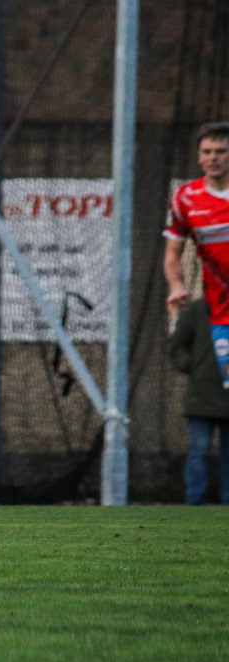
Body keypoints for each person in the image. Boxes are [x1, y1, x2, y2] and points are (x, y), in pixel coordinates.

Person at [164, 122, 229, 342]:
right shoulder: (186, 198)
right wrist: (176, 286)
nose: (213, 158)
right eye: (207, 152)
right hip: (220, 312)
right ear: (199, 157)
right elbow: (172, 254)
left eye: (220, 151)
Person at [169, 299, 229, 505]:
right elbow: (177, 345)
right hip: (201, 397)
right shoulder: (198, 310)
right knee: (198, 450)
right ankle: (195, 500)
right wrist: (193, 366)